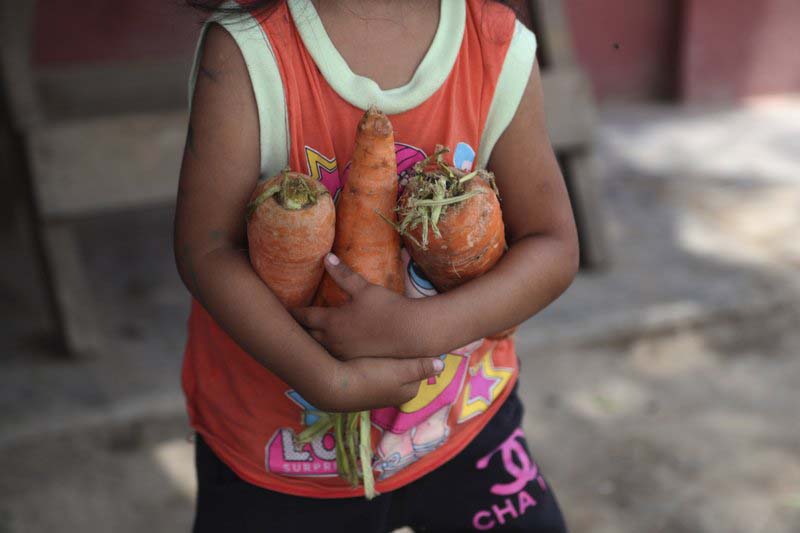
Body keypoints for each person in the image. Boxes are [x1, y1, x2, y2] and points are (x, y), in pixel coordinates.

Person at [176, 0, 578, 530]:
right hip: (281, 454)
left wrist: (423, 327)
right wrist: (323, 378)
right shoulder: (248, 52)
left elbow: (553, 245)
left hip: (461, 424)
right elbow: (206, 252)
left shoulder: (495, 46)